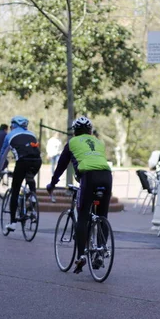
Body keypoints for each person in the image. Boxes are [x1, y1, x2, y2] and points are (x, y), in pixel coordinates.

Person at [46, 116, 112, 274]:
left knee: (82, 217)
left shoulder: (72, 143)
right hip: (106, 176)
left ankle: (81, 255)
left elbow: (61, 165)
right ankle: (101, 251)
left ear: (74, 132)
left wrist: (53, 184)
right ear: (90, 131)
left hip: (88, 177)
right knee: (102, 215)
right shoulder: (99, 142)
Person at [0, 116, 42, 232]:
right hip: (37, 162)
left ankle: (13, 222)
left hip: (22, 162)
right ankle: (32, 196)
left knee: (15, 190)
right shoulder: (32, 134)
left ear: (14, 125)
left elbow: (3, 154)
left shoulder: (9, 135)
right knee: (30, 177)